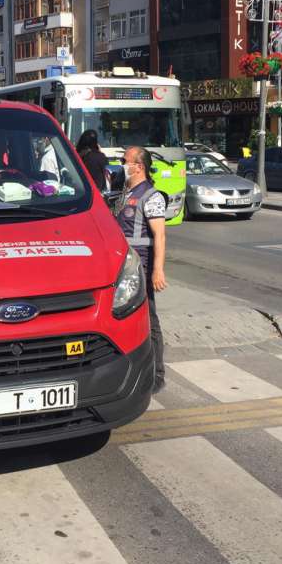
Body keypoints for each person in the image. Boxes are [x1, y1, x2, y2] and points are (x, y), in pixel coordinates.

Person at [114, 146, 168, 393]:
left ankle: (157, 375)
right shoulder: (126, 193)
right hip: (124, 267)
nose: (121, 164)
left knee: (150, 320)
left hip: (142, 266)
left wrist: (158, 270)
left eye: (125, 161)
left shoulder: (151, 196)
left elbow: (160, 235)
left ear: (138, 166)